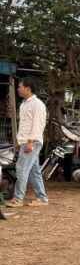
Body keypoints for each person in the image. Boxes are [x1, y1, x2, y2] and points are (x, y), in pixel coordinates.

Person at [6, 77, 48, 209]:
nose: (18, 89)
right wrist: (19, 141)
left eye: (20, 87)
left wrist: (30, 141)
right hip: (26, 141)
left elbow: (38, 124)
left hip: (32, 141)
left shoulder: (37, 104)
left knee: (21, 169)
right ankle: (42, 198)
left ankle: (17, 199)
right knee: (33, 171)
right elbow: (24, 125)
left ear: (28, 88)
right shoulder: (23, 104)